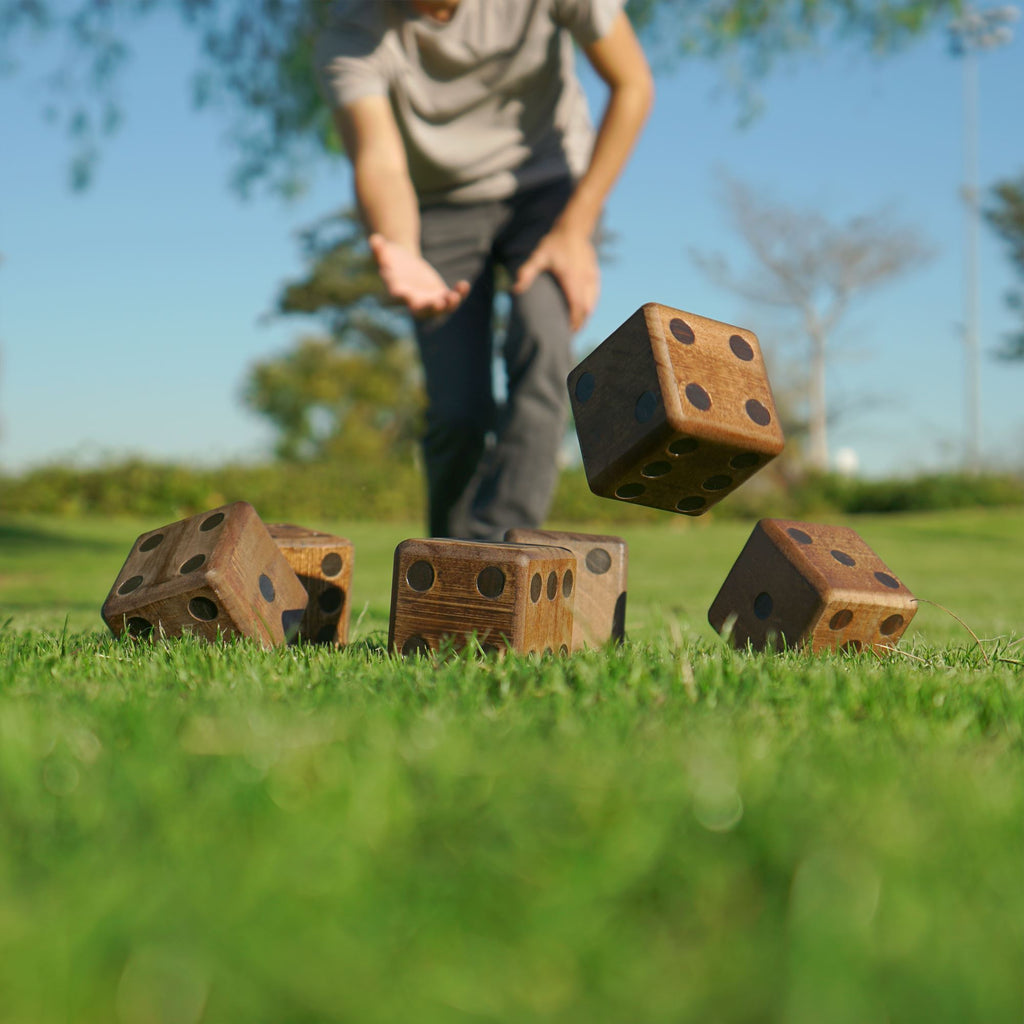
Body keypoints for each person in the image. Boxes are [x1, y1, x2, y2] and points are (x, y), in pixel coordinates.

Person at [316, 0, 653, 539]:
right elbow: (378, 158)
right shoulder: (354, 31)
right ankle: (443, 567)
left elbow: (633, 85)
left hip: (548, 190)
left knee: (542, 343)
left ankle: (506, 553)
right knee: (458, 411)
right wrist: (401, 245)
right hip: (439, 205)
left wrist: (575, 230)